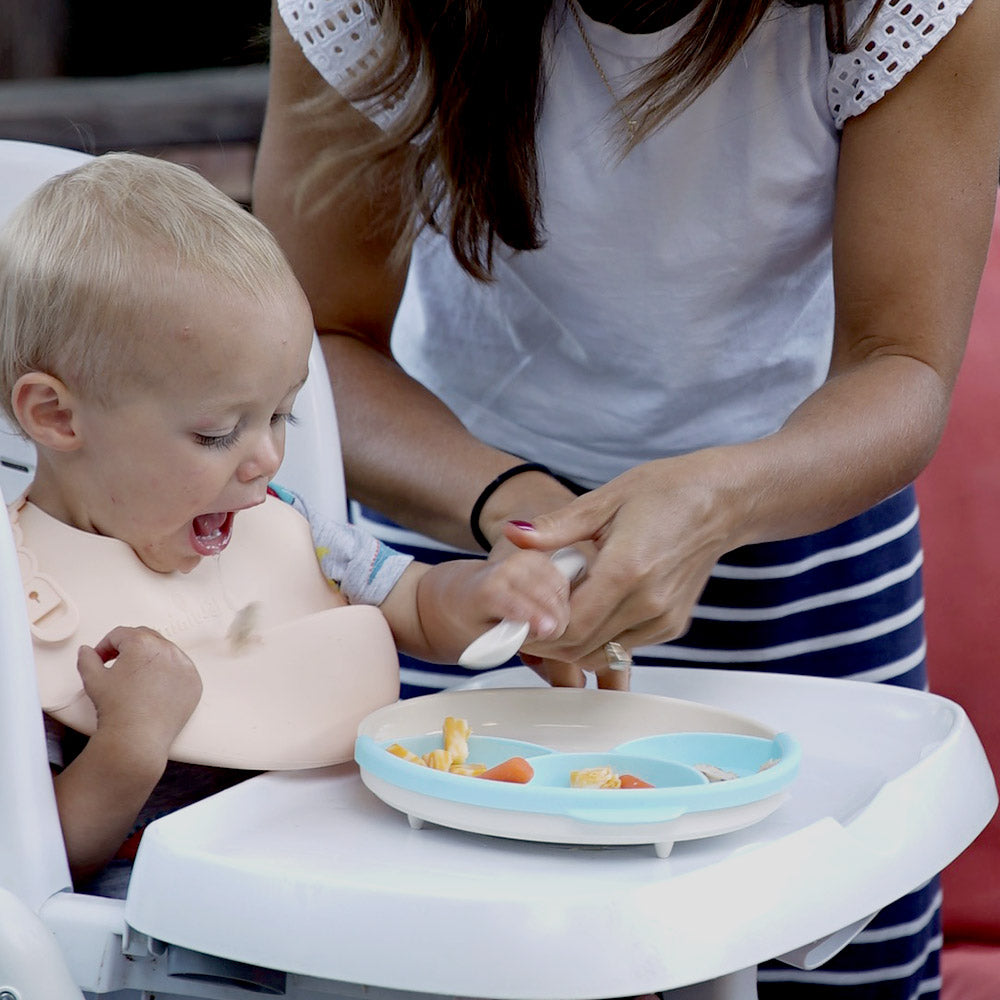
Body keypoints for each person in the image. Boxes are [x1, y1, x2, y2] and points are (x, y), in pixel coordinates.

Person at [252, 0, 1000, 996]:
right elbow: (317, 343)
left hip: (799, 545)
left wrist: (720, 499)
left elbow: (899, 363)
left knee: (823, 959)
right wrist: (519, 516)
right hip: (459, 566)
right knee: (455, 958)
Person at [0, 152, 576, 899]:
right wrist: (130, 743)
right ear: (55, 415)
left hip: (362, 871)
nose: (267, 457)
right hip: (185, 935)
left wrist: (494, 596)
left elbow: (423, 607)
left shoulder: (292, 530)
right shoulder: (21, 603)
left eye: (281, 415)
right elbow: (36, 870)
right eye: (216, 434)